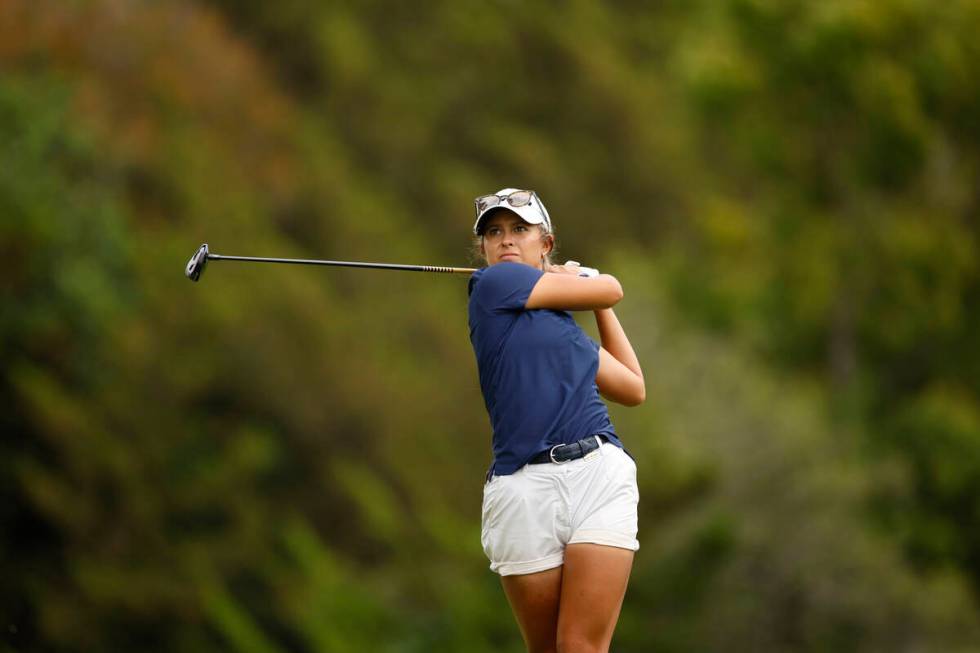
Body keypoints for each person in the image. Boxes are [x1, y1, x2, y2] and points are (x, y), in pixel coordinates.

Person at [468, 188, 645, 653]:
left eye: (519, 230)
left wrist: (596, 305)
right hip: (524, 489)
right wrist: (586, 281)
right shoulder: (491, 286)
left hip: (597, 474)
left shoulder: (565, 331)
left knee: (580, 647)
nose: (505, 240)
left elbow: (632, 386)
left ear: (545, 242)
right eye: (494, 232)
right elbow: (611, 285)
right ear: (484, 249)